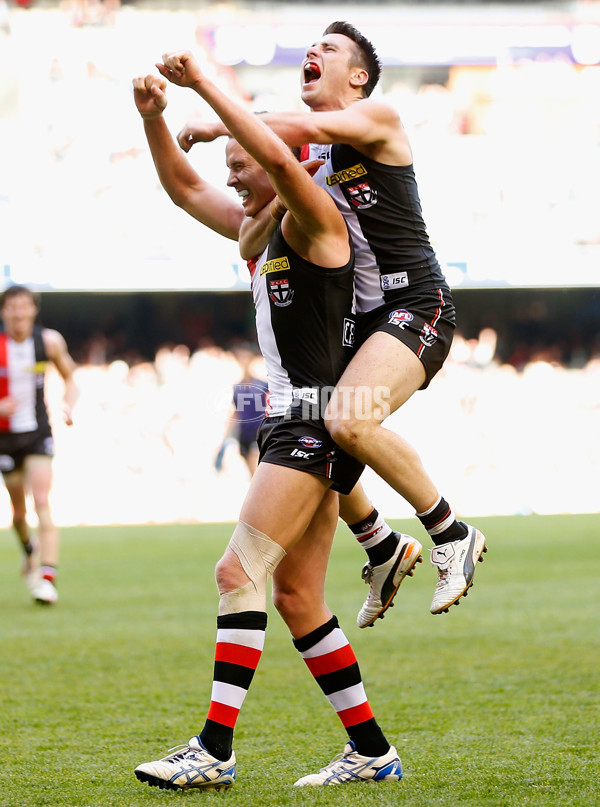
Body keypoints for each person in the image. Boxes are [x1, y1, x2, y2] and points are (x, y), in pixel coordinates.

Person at [131, 54, 402, 790]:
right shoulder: (259, 230)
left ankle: (214, 748)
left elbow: (282, 161)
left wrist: (210, 94)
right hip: (305, 424)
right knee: (297, 597)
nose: (230, 177)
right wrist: (155, 117)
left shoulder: (314, 219)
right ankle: (373, 753)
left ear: (274, 159)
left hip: (310, 424)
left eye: (240, 163)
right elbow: (185, 186)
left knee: (237, 570)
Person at [179, 21, 487, 618]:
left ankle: (451, 535)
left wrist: (212, 103)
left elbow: (298, 129)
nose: (313, 51)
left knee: (346, 420)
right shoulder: (311, 156)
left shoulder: (379, 118)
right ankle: (380, 544)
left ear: (359, 76)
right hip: (366, 319)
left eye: (330, 47)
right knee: (309, 418)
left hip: (416, 304)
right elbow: (242, 208)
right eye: (311, 45)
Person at [0, 285, 77, 604]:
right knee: (18, 513)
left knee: (42, 500)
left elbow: (71, 377)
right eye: (12, 307)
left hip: (38, 432)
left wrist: (68, 405)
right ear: (4, 311)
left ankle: (47, 577)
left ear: (33, 309)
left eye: (24, 306)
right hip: (5, 438)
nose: (18, 313)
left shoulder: (48, 341)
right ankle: (29, 551)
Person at [214, 347, 267, 477]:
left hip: (258, 431)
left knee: (255, 465)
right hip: (243, 433)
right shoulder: (237, 387)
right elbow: (235, 412)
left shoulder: (262, 385)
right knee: (249, 470)